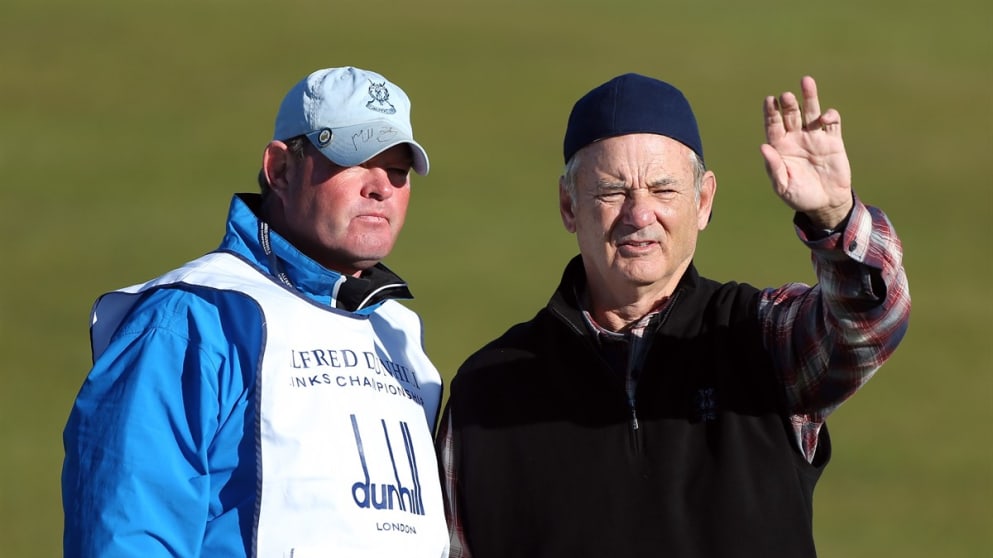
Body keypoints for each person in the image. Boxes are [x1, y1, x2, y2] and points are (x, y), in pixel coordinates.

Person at [437, 73, 910, 557]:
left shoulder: (762, 339)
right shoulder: (487, 392)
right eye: (611, 191)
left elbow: (869, 326)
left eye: (663, 190)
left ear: (703, 201)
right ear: (568, 204)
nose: (639, 214)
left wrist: (834, 219)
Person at [62, 66, 450, 557]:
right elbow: (127, 535)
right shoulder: (192, 318)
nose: (381, 188)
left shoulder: (400, 334)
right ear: (281, 170)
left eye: (398, 171)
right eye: (355, 161)